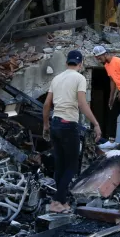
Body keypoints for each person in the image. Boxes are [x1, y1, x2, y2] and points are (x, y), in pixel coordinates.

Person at [42, 50, 102, 213]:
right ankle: (58, 202)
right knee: (71, 166)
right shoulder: (80, 78)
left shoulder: (56, 78)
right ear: (81, 64)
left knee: (60, 164)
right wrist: (95, 123)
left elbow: (47, 105)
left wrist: (46, 125)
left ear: (66, 63)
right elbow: (82, 104)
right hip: (69, 125)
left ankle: (60, 199)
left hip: (55, 124)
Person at [91, 45, 120, 141]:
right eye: (97, 59)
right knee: (112, 115)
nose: (99, 60)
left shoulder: (118, 61)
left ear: (105, 54)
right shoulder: (106, 65)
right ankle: (112, 141)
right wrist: (111, 97)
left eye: (99, 58)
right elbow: (112, 81)